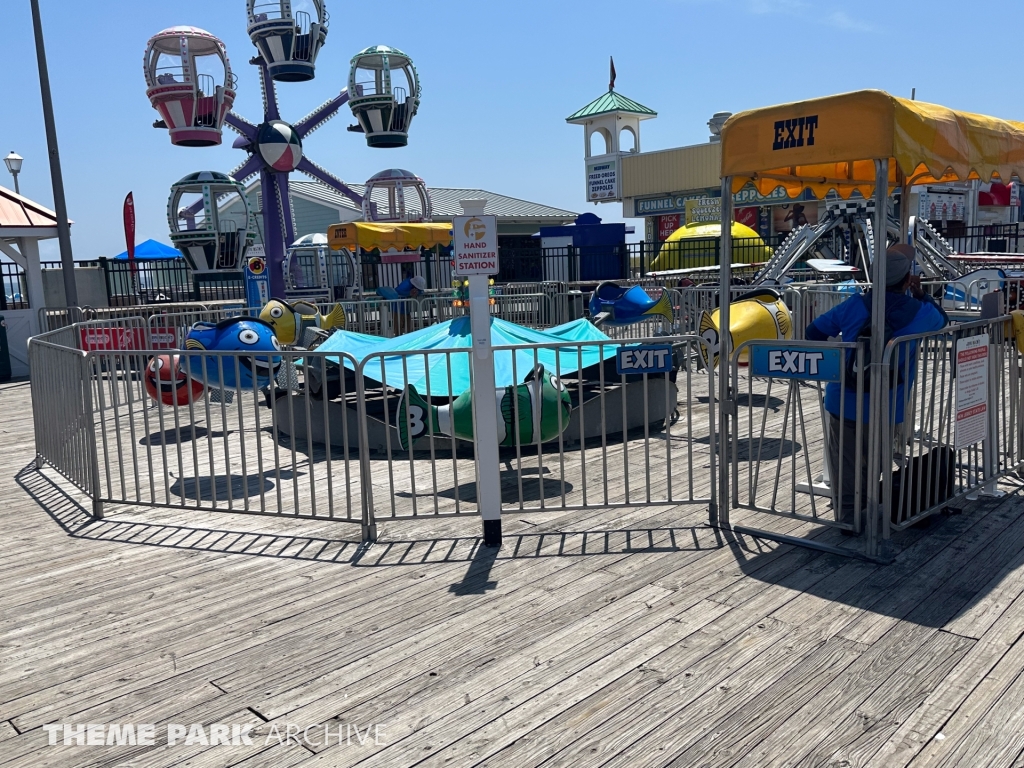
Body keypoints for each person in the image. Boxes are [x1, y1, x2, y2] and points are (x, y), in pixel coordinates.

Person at [805, 245, 948, 532]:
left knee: (844, 461)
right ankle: (870, 512)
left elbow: (814, 332)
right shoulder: (920, 312)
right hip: (887, 402)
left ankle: (848, 517)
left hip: (842, 398)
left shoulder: (854, 304)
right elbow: (943, 320)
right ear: (907, 280)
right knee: (875, 460)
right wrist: (921, 294)